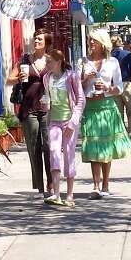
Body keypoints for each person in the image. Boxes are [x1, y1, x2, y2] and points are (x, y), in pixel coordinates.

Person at [81, 30, 131, 199]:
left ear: (103, 43)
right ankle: (95, 186)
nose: (91, 43)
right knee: (93, 147)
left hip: (107, 107)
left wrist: (106, 89)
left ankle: (105, 185)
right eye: (90, 40)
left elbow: (119, 87)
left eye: (94, 41)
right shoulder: (84, 61)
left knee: (106, 147)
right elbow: (76, 87)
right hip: (90, 107)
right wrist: (84, 79)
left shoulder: (112, 62)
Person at [7, 28, 53, 197]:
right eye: (35, 38)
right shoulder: (25, 60)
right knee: (34, 147)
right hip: (29, 108)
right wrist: (19, 77)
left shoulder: (51, 60)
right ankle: (40, 185)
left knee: (49, 146)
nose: (36, 41)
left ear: (47, 43)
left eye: (40, 39)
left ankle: (51, 183)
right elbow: (8, 80)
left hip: (48, 108)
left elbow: (62, 78)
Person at [41, 49, 85, 207]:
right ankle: (56, 193)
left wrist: (73, 122)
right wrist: (45, 102)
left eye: (49, 62)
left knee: (68, 154)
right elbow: (47, 97)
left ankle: (70, 194)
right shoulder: (47, 78)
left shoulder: (71, 76)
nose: (47, 65)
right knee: (53, 151)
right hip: (54, 121)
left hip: (69, 121)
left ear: (58, 61)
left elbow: (81, 99)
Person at [110, 36, 131, 147]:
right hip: (127, 84)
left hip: (114, 87)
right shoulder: (127, 54)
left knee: (118, 113)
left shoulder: (109, 56)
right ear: (121, 43)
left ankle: (120, 137)